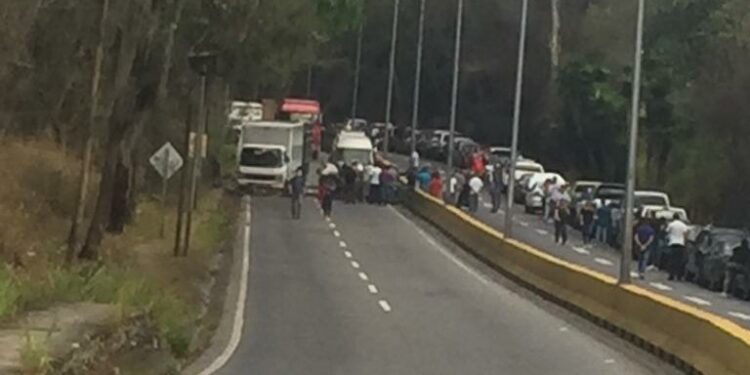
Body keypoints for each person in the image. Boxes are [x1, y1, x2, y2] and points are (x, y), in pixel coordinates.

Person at [665, 213, 690, 281]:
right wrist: (685, 243)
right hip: (681, 244)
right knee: (679, 261)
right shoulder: (683, 225)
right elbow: (685, 234)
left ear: (673, 217)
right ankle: (679, 276)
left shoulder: (671, 224)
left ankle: (671, 275)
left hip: (673, 243)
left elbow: (667, 232)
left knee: (672, 260)